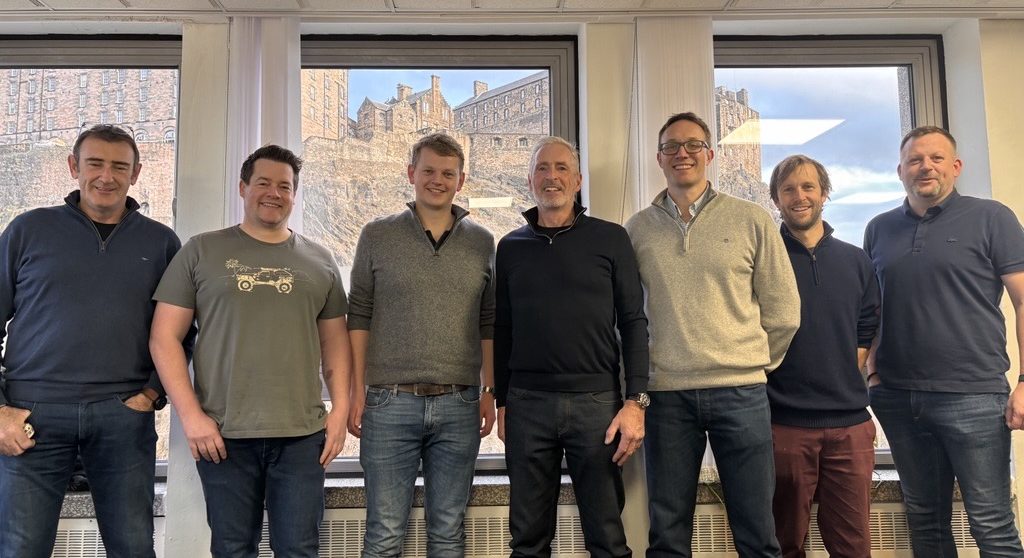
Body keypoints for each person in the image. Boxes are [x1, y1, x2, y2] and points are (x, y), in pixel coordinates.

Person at [149, 144, 351, 558]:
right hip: (223, 435)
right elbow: (163, 338)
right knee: (233, 549)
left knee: (298, 549)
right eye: (263, 183)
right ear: (243, 187)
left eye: (285, 186)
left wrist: (340, 414)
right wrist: (190, 417)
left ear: (295, 195)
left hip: (301, 437)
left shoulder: (320, 261)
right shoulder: (201, 251)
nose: (273, 193)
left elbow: (336, 347)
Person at [0, 124, 181, 558]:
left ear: (136, 173)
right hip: (31, 417)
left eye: (120, 166)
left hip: (122, 417)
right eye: (95, 163)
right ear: (73, 167)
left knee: (134, 548)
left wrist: (152, 394)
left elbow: (182, 334)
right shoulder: (28, 231)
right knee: (20, 549)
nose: (107, 176)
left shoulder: (161, 243)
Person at [625, 112, 800, 558]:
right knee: (667, 533)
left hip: (740, 392)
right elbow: (626, 316)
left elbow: (784, 312)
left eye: (692, 144)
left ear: (710, 154)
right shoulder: (637, 229)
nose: (681, 153)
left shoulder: (751, 220)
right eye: (670, 147)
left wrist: (750, 361)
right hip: (666, 396)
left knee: (757, 531)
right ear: (659, 158)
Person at [864, 126, 1024, 557]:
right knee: (925, 522)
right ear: (900, 171)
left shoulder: (993, 218)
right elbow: (873, 310)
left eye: (936, 158)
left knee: (990, 522)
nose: (925, 167)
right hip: (898, 398)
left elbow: (1023, 300)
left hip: (973, 396)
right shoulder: (879, 229)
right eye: (915, 160)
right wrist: (873, 373)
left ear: (956, 167)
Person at [495, 136, 649, 558]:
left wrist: (636, 401)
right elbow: (502, 328)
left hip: (597, 405)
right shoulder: (509, 248)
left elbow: (634, 322)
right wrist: (502, 403)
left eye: (562, 168)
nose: (552, 177)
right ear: (530, 181)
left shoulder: (611, 239)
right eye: (543, 168)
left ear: (578, 180)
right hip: (527, 405)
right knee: (527, 539)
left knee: (607, 537)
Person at [347, 133, 495, 557]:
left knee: (448, 531)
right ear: (411, 174)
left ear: (461, 180)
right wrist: (358, 390)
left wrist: (489, 390)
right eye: (428, 171)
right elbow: (359, 315)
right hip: (388, 403)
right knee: (384, 534)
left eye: (448, 173)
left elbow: (489, 321)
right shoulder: (376, 235)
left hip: (460, 404)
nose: (437, 180)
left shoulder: (483, 242)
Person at [767, 155, 879, 558]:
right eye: (789, 189)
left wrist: (844, 371)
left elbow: (868, 324)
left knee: (852, 545)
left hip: (850, 426)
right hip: (784, 426)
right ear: (776, 199)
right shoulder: (764, 259)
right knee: (783, 543)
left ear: (824, 193)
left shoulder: (855, 260)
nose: (800, 196)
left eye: (808, 187)